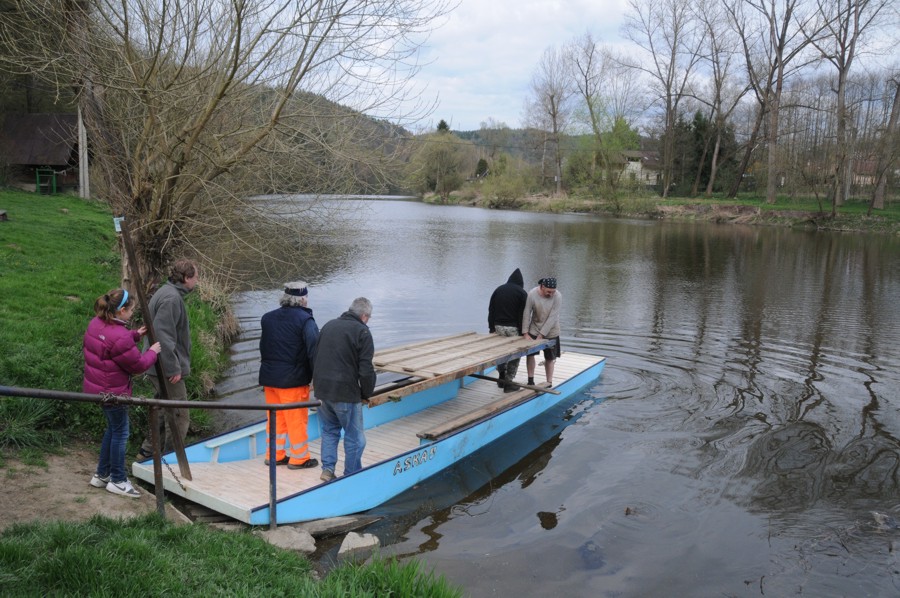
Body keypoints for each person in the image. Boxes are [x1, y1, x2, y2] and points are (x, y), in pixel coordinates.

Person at [84, 288, 161, 498]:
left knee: (112, 429)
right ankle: (118, 480)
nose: (132, 313)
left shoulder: (96, 323)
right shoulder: (119, 336)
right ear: (122, 311)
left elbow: (112, 345)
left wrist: (135, 334)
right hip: (114, 392)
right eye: (131, 310)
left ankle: (102, 474)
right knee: (121, 433)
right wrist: (152, 353)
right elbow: (137, 365)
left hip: (97, 388)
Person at [138, 258, 198, 459]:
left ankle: (148, 451)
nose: (197, 282)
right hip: (164, 367)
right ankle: (174, 459)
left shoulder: (166, 292)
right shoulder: (171, 299)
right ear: (186, 278)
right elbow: (164, 336)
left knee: (164, 409)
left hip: (158, 364)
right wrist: (173, 368)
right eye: (195, 277)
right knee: (180, 413)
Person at [312, 297, 376, 482]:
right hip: (345, 393)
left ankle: (328, 470)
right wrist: (366, 393)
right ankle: (351, 475)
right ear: (364, 316)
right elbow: (366, 370)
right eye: (369, 317)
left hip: (323, 391)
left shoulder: (329, 325)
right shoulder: (362, 332)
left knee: (330, 431)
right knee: (355, 437)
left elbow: (316, 356)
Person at [258, 281, 320, 469]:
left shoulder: (267, 318)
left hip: (270, 379)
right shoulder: (305, 321)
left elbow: (264, 347)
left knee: (275, 418)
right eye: (306, 297)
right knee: (296, 419)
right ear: (302, 299)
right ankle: (299, 458)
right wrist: (316, 378)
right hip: (293, 381)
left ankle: (274, 455)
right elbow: (314, 351)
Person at [488, 268, 528, 392]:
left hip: (498, 326)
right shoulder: (522, 293)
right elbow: (523, 315)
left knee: (501, 352)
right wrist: (523, 332)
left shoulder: (498, 290)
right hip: (513, 328)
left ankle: (501, 377)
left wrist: (491, 328)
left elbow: (491, 310)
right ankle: (508, 382)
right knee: (515, 354)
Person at [522, 277, 562, 387]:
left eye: (553, 291)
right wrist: (525, 332)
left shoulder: (557, 296)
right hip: (534, 328)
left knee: (549, 358)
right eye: (549, 291)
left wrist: (542, 335)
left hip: (551, 331)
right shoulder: (532, 294)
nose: (551, 294)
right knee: (530, 355)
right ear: (542, 287)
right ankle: (530, 380)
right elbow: (527, 313)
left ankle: (549, 382)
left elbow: (553, 317)